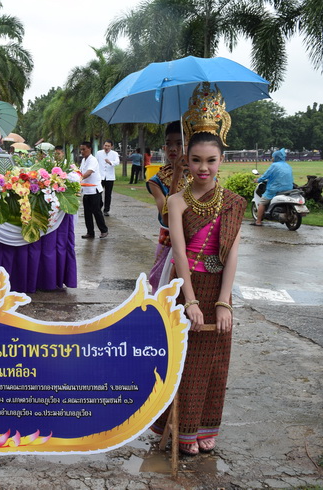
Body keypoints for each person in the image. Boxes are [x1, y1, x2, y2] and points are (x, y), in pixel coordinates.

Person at [152, 88, 246, 456]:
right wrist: (189, 302)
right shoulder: (177, 201)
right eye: (195, 160)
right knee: (185, 361)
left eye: (210, 160)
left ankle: (206, 427)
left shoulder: (234, 204)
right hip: (187, 288)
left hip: (219, 289)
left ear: (222, 160)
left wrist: (223, 303)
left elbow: (232, 255)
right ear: (186, 161)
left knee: (215, 365)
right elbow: (177, 252)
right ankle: (180, 428)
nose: (203, 168)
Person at [146, 122, 189, 292]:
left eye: (179, 143)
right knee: (163, 289)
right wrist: (176, 175)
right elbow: (166, 218)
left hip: (196, 243)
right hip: (169, 242)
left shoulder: (202, 175)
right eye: (168, 143)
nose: (172, 148)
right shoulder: (156, 181)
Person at [251, 148, 293, 226]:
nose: (272, 158)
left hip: (275, 188)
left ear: (276, 157)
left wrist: (258, 180)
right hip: (288, 188)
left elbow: (266, 175)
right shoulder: (288, 165)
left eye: (273, 157)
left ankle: (258, 221)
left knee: (262, 202)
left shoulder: (274, 165)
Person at [78, 141, 108, 239]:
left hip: (94, 190)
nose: (82, 152)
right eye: (81, 150)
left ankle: (104, 230)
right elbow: (80, 172)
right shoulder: (83, 160)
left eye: (84, 149)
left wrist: (79, 178)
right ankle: (90, 232)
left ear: (89, 149)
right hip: (86, 190)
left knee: (96, 211)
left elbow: (89, 172)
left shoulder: (93, 160)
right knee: (87, 213)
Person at [95, 140, 120, 216]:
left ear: (111, 146)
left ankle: (106, 209)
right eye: (105, 145)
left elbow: (117, 162)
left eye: (108, 146)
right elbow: (95, 162)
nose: (106, 147)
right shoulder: (99, 153)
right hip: (100, 176)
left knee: (108, 194)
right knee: (98, 192)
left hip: (110, 177)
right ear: (103, 146)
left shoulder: (114, 154)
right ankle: (99, 205)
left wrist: (110, 162)